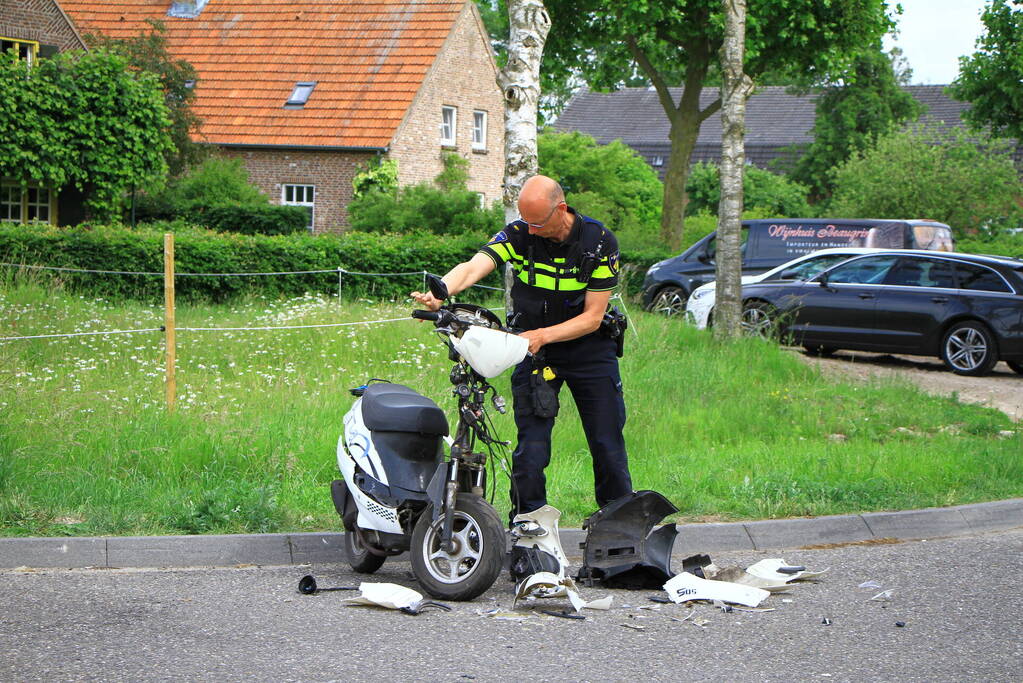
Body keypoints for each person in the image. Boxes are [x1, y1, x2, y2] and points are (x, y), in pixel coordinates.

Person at [411, 175, 632, 519]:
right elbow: (474, 266)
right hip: (532, 349)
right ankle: (527, 523)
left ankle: (619, 520)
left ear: (561, 209)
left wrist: (543, 334)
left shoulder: (599, 242)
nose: (530, 230)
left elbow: (592, 318)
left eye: (538, 222)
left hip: (589, 350)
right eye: (525, 221)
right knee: (531, 446)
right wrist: (441, 293)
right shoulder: (519, 234)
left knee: (606, 442)